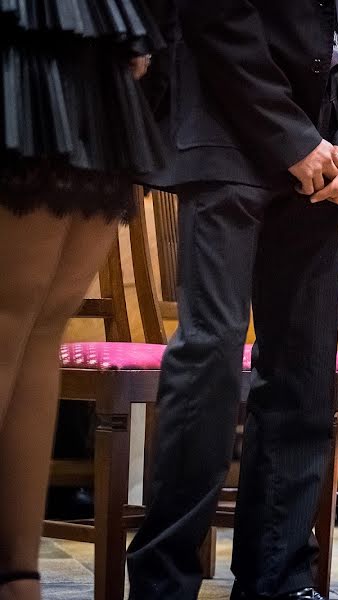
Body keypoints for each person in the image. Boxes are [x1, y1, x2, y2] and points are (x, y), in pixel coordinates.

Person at [124, 1, 338, 599]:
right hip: (227, 127)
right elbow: (211, 13)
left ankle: (280, 578)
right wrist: (290, 137)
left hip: (331, 151)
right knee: (210, 355)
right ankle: (164, 582)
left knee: (304, 367)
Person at [0, 2, 163, 599]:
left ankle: (19, 580)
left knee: (29, 323)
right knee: (31, 325)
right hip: (85, 32)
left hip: (81, 38)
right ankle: (18, 579)